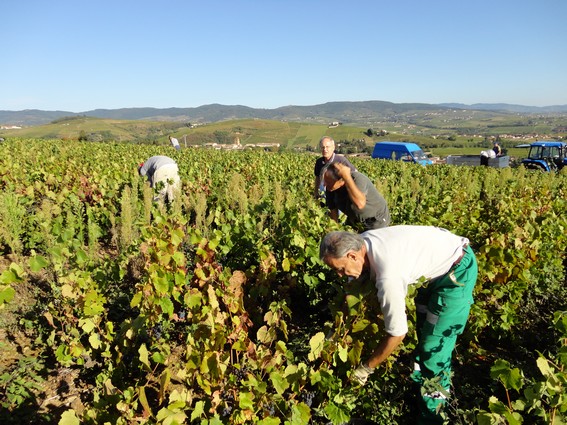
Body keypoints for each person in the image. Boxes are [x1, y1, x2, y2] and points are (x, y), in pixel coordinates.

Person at [319, 226, 478, 424]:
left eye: (340, 270)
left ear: (352, 255)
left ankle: (432, 417)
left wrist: (366, 369)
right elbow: (351, 291)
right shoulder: (362, 242)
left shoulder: (389, 277)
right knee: (424, 335)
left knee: (433, 350)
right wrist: (336, 329)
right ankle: (422, 392)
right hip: (436, 269)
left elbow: (397, 333)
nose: (341, 275)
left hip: (456, 274)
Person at [321, 162, 390, 232]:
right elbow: (333, 211)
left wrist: (347, 177)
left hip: (376, 220)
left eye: (328, 182)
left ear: (341, 181)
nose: (324, 185)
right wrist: (334, 230)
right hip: (355, 220)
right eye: (325, 181)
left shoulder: (358, 179)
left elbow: (360, 204)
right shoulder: (330, 188)